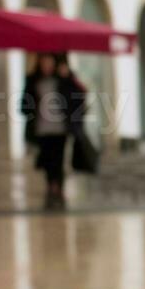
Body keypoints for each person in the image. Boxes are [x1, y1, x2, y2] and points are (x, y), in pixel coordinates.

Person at [19, 50, 87, 210]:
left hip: (60, 127)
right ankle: (51, 186)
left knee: (59, 158)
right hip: (42, 128)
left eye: (49, 61)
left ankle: (58, 188)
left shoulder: (64, 78)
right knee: (48, 159)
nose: (47, 65)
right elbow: (24, 105)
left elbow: (80, 94)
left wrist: (68, 76)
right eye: (44, 61)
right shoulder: (33, 80)